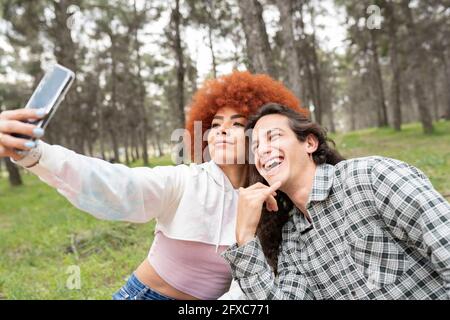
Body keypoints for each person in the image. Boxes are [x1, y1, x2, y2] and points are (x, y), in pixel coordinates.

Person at [0, 72, 305, 300]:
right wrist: (36, 155)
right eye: (215, 124)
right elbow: (116, 185)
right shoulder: (185, 181)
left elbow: (253, 286)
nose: (222, 130)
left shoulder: (273, 201)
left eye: (237, 124)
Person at [222, 102, 450, 300]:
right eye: (256, 147)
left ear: (309, 143)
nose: (263, 150)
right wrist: (245, 239)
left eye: (273, 137)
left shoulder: (371, 177)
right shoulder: (291, 240)